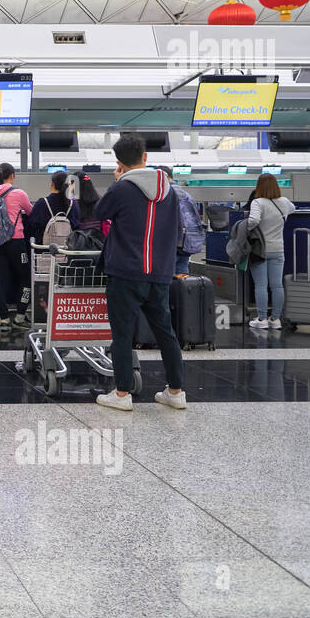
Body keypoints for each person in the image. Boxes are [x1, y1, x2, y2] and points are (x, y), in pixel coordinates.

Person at [93, 133, 187, 411]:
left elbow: (100, 212)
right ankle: (176, 391)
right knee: (165, 332)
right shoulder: (170, 190)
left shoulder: (121, 188)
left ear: (119, 163)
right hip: (159, 273)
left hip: (125, 272)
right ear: (145, 157)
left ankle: (122, 395)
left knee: (122, 334)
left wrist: (117, 180)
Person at [0, 163, 32, 330]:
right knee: (25, 278)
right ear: (12, 176)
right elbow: (31, 212)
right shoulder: (18, 193)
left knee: (0, 281)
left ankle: (4, 320)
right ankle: (20, 316)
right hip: (16, 241)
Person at [246, 172, 295, 330]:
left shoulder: (258, 202)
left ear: (259, 187)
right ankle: (275, 319)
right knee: (277, 285)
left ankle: (262, 319)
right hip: (278, 249)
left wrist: (243, 228)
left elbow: (253, 220)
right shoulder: (284, 202)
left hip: (260, 249)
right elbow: (292, 209)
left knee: (261, 285)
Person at [159, 165, 204, 276]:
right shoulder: (187, 195)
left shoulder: (164, 194)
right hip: (186, 245)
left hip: (170, 245)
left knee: (168, 279)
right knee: (183, 279)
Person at [26, 170, 80, 243]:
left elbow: (32, 225)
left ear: (51, 184)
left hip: (43, 249)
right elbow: (77, 226)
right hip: (67, 249)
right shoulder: (72, 204)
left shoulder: (41, 203)